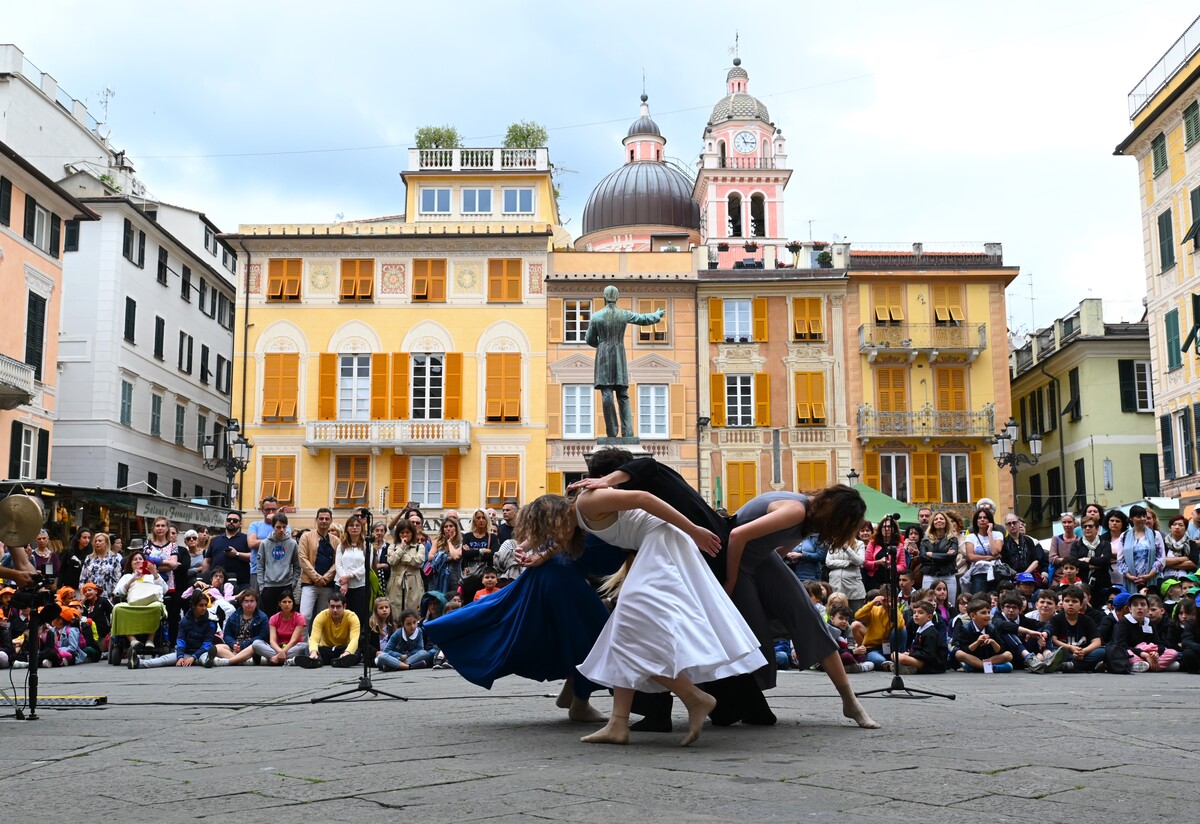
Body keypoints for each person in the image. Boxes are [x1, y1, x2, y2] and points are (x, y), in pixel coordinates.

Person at [523, 489, 764, 747]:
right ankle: (618, 723)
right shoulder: (579, 520)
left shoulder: (586, 502)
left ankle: (693, 697)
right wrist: (541, 556)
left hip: (661, 542)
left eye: (550, 531)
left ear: (555, 517)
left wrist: (695, 530)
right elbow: (563, 542)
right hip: (655, 545)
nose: (553, 538)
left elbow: (644, 498)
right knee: (619, 633)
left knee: (627, 630)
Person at [585, 284, 664, 439]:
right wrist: (657, 315)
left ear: (605, 298)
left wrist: (601, 343)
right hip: (619, 355)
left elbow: (589, 339)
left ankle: (612, 432)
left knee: (607, 395)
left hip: (603, 357)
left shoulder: (596, 316)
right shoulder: (623, 314)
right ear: (617, 298)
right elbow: (643, 319)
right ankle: (628, 432)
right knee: (623, 394)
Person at [136, 590, 219, 669]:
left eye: (205, 605)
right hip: (186, 653)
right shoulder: (184, 621)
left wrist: (193, 657)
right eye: (201, 605)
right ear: (194, 606)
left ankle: (210, 661)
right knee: (164, 659)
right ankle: (138, 662)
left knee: (205, 659)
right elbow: (181, 640)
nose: (204, 608)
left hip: (201, 653)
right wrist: (180, 657)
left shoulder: (211, 621)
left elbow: (207, 644)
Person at [111, 552, 168, 667]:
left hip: (150, 603)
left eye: (140, 559)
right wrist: (133, 579)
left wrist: (155, 574)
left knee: (157, 606)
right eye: (135, 559)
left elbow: (165, 590)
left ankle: (150, 640)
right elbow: (118, 592)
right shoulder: (127, 576)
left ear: (145, 562)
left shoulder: (152, 575)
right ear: (130, 564)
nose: (138, 561)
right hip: (132, 603)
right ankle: (133, 640)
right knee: (117, 608)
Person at [295, 593, 361, 668]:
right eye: (332, 607)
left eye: (338, 607)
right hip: (326, 649)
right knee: (308, 648)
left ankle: (340, 660)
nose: (335, 610)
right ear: (328, 606)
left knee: (357, 651)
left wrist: (347, 652)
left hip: (343, 648)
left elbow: (354, 639)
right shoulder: (321, 616)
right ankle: (316, 660)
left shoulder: (352, 617)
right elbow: (314, 638)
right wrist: (313, 652)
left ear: (344, 606)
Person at [1050, 585, 1106, 672]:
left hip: (1083, 653)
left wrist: (1083, 651)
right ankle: (1086, 666)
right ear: (1062, 603)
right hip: (1066, 652)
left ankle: (1071, 665)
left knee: (1103, 651)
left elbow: (1097, 642)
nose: (1070, 604)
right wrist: (1070, 648)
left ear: (1080, 605)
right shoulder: (1056, 619)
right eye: (1067, 601)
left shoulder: (1087, 620)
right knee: (1053, 651)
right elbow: (1054, 640)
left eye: (1074, 601)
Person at [208, 589, 270, 666]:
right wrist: (233, 644)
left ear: (256, 603)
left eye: (252, 601)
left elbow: (262, 636)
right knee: (217, 648)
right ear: (241, 603)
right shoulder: (234, 616)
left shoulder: (262, 617)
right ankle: (242, 660)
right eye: (246, 601)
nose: (249, 604)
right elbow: (227, 635)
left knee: (256, 645)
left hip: (251, 647)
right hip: (235, 647)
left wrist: (243, 645)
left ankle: (229, 661)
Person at [298, 508, 339, 623]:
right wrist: (317, 578)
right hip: (309, 583)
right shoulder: (306, 537)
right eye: (321, 518)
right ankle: (304, 641)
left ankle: (319, 641)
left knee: (323, 618)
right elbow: (302, 558)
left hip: (327, 584)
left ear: (331, 520)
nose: (324, 521)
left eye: (327, 518)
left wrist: (325, 578)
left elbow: (338, 562)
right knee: (304, 616)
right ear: (316, 520)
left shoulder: (336, 541)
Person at [952, 598, 1014, 672]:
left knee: (1008, 655)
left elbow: (1000, 650)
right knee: (959, 654)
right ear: (973, 616)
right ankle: (989, 667)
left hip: (989, 659)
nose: (988, 615)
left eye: (988, 612)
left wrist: (992, 642)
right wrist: (977, 642)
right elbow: (965, 650)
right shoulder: (966, 629)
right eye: (983, 613)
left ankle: (978, 667)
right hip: (974, 658)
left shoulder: (992, 628)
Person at [256, 513, 300, 616]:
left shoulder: (292, 544)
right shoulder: (265, 544)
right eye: (278, 527)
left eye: (284, 527)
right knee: (269, 617)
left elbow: (297, 566)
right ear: (273, 527)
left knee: (287, 616)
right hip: (269, 586)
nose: (281, 530)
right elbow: (260, 566)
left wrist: (293, 584)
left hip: (286, 585)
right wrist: (262, 586)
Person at [1116, 505, 1166, 595]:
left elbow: (1160, 558)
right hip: (1131, 579)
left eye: (1144, 516)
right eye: (1139, 516)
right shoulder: (1124, 536)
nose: (1142, 519)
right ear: (1131, 518)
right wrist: (1129, 576)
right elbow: (1120, 559)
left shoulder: (1155, 534)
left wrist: (1149, 575)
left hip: (1151, 577)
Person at [335, 514, 370, 628]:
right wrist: (344, 581)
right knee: (340, 616)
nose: (354, 528)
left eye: (357, 525)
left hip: (360, 586)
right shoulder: (341, 546)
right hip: (342, 586)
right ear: (347, 528)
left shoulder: (367, 546)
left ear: (361, 528)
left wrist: (349, 576)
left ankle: (357, 643)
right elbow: (338, 564)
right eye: (351, 525)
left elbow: (366, 565)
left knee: (358, 617)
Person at [895, 600, 947, 674]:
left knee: (901, 658)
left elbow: (929, 655)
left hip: (933, 665)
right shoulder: (920, 629)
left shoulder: (931, 633)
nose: (916, 615)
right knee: (894, 654)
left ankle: (904, 666)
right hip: (920, 659)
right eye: (914, 612)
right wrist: (909, 653)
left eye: (920, 612)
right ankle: (905, 667)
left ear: (929, 617)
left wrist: (910, 654)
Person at [245, 496, 285, 592]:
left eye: (273, 509)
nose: (270, 512)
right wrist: (275, 540)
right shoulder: (254, 525)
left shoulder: (285, 526)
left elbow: (285, 543)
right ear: (262, 510)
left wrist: (275, 522)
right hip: (257, 571)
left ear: (277, 510)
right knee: (257, 601)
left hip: (279, 572)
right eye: (267, 509)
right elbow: (251, 543)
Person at [204, 511, 251, 592]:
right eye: (229, 520)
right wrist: (205, 578)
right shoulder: (215, 540)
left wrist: (237, 554)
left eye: (235, 520)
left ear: (240, 524)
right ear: (225, 522)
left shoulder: (246, 539)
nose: (231, 522)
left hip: (241, 584)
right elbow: (207, 561)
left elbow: (253, 557)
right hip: (217, 585)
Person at [387, 521, 425, 615]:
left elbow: (419, 562)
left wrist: (399, 556)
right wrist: (402, 548)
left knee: (413, 612)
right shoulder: (392, 546)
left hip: (414, 582)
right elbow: (391, 561)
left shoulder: (419, 547)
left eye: (407, 532)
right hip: (396, 583)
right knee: (395, 613)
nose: (405, 535)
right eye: (402, 532)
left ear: (412, 533)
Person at [919, 511, 960, 600]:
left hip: (948, 574)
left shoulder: (953, 539)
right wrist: (945, 556)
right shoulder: (925, 540)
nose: (939, 521)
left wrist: (932, 554)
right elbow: (923, 558)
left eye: (941, 518)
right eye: (936, 519)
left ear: (946, 522)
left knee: (950, 603)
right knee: (927, 602)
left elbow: (952, 557)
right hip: (930, 575)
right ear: (932, 523)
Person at [260, 590, 306, 665]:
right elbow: (272, 641)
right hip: (277, 648)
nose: (287, 604)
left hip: (293, 648)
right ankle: (286, 660)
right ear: (279, 604)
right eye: (284, 602)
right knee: (256, 644)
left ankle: (274, 659)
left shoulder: (300, 617)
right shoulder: (273, 618)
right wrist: (280, 651)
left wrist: (281, 653)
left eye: (289, 602)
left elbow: (293, 641)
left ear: (293, 603)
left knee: (304, 646)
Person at [964, 508, 1003, 594]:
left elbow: (995, 552)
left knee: (995, 600)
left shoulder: (997, 535)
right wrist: (992, 558)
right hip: (978, 574)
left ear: (990, 520)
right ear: (976, 521)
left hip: (995, 573)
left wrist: (989, 533)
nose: (982, 520)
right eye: (979, 517)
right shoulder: (971, 537)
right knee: (979, 600)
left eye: (985, 517)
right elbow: (971, 556)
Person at [824, 533, 866, 612]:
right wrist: (848, 563)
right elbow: (828, 563)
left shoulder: (859, 544)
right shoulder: (833, 545)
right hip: (835, 586)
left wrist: (847, 548)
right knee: (836, 615)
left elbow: (860, 561)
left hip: (854, 589)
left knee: (856, 615)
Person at [862, 517, 904, 593]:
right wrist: (878, 562)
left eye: (889, 527)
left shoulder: (899, 545)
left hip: (891, 581)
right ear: (880, 529)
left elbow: (902, 566)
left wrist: (890, 566)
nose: (886, 529)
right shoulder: (873, 543)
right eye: (884, 527)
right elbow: (865, 563)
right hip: (873, 581)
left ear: (894, 529)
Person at [1001, 515, 1046, 586]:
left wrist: (1025, 574)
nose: (1012, 525)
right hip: (1012, 579)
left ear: (1019, 523)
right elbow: (1003, 563)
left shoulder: (1028, 540)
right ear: (1006, 526)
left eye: (1014, 522)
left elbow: (1036, 560)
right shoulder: (1004, 543)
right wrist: (1013, 575)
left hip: (1030, 577)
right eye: (1009, 524)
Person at [80, 531, 122, 600]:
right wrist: (83, 595)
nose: (97, 543)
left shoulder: (114, 559)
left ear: (106, 543)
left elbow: (117, 579)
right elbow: (82, 579)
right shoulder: (89, 558)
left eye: (100, 541)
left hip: (108, 597)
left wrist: (113, 596)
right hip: (90, 597)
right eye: (95, 541)